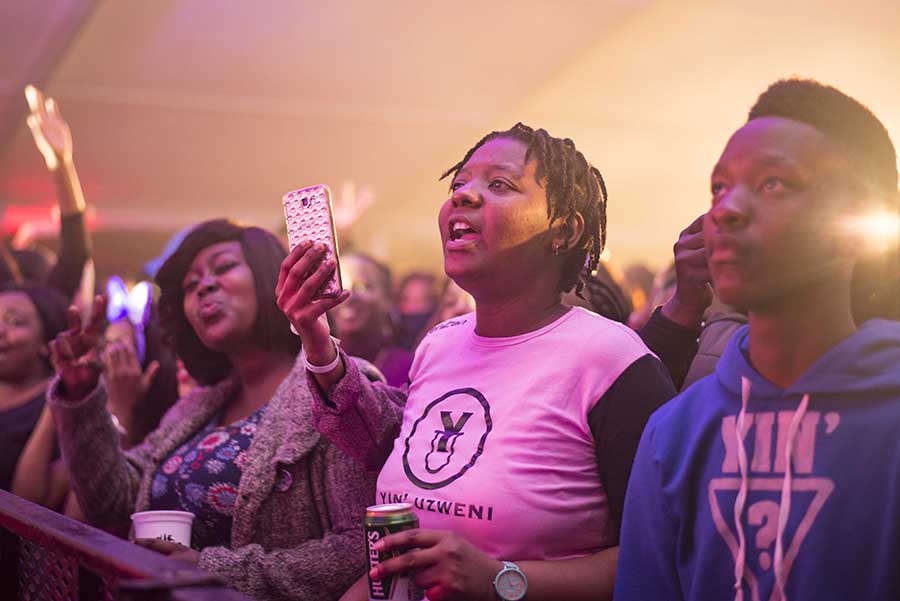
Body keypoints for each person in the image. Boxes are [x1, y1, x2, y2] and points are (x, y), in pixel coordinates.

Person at [277, 123, 677, 601]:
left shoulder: (613, 360)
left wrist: (501, 580)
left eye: (499, 184)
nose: (463, 196)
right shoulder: (439, 345)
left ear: (564, 230)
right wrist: (315, 335)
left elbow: (662, 555)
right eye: (459, 183)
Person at [615, 79, 900, 601]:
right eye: (719, 188)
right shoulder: (673, 435)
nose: (725, 210)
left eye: (773, 183)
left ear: (857, 223)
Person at [46, 219, 376, 601]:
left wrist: (212, 572)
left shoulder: (337, 385)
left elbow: (360, 545)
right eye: (191, 285)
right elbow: (111, 504)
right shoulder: (195, 407)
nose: (204, 286)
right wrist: (81, 393)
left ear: (271, 277)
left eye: (223, 267)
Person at [12, 278, 179, 514]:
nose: (104, 358)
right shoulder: (86, 421)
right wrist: (64, 387)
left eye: (119, 349)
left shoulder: (157, 434)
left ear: (149, 368)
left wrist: (120, 407)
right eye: (104, 346)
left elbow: (81, 518)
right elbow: (26, 498)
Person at [0, 86, 92, 302]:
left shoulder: (40, 303)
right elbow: (75, 253)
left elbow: (75, 254)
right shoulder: (30, 301)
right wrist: (61, 164)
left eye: (15, 317)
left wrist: (61, 162)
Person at [0, 285, 68, 492]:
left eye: (14, 322)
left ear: (46, 343)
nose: (0, 330)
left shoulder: (63, 403)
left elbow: (30, 499)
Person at [330, 253, 413, 387]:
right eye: (338, 286)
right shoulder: (312, 366)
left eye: (362, 286)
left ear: (389, 298)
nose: (348, 296)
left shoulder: (410, 369)